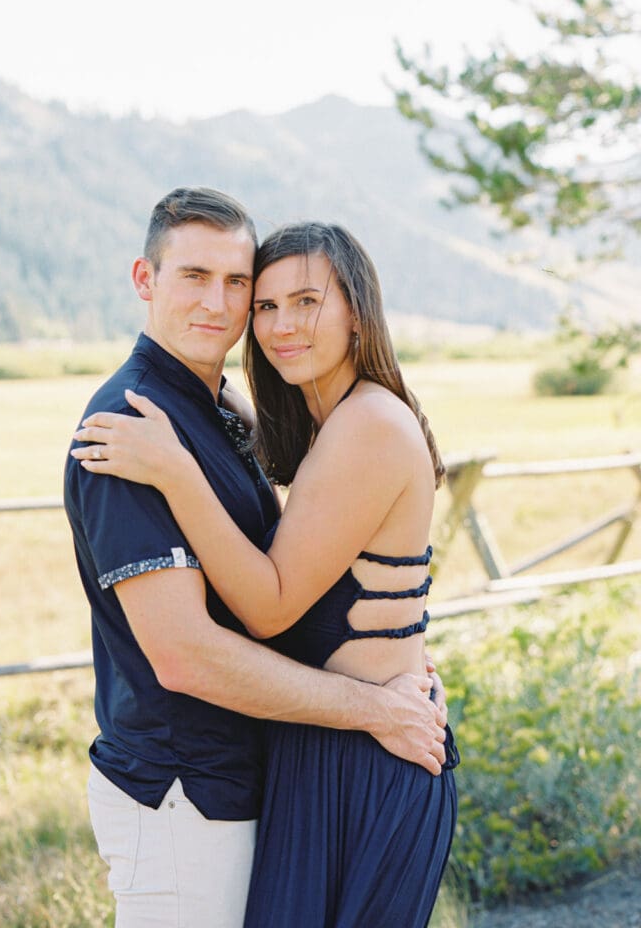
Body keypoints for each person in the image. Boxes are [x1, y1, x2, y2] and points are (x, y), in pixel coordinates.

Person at [65, 189, 450, 928]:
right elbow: (185, 654)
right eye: (265, 303)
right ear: (144, 280)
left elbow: (276, 598)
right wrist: (380, 691)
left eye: (243, 286)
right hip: (193, 786)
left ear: (357, 313)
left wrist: (392, 675)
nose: (268, 320)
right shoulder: (136, 429)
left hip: (351, 759)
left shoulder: (346, 421)